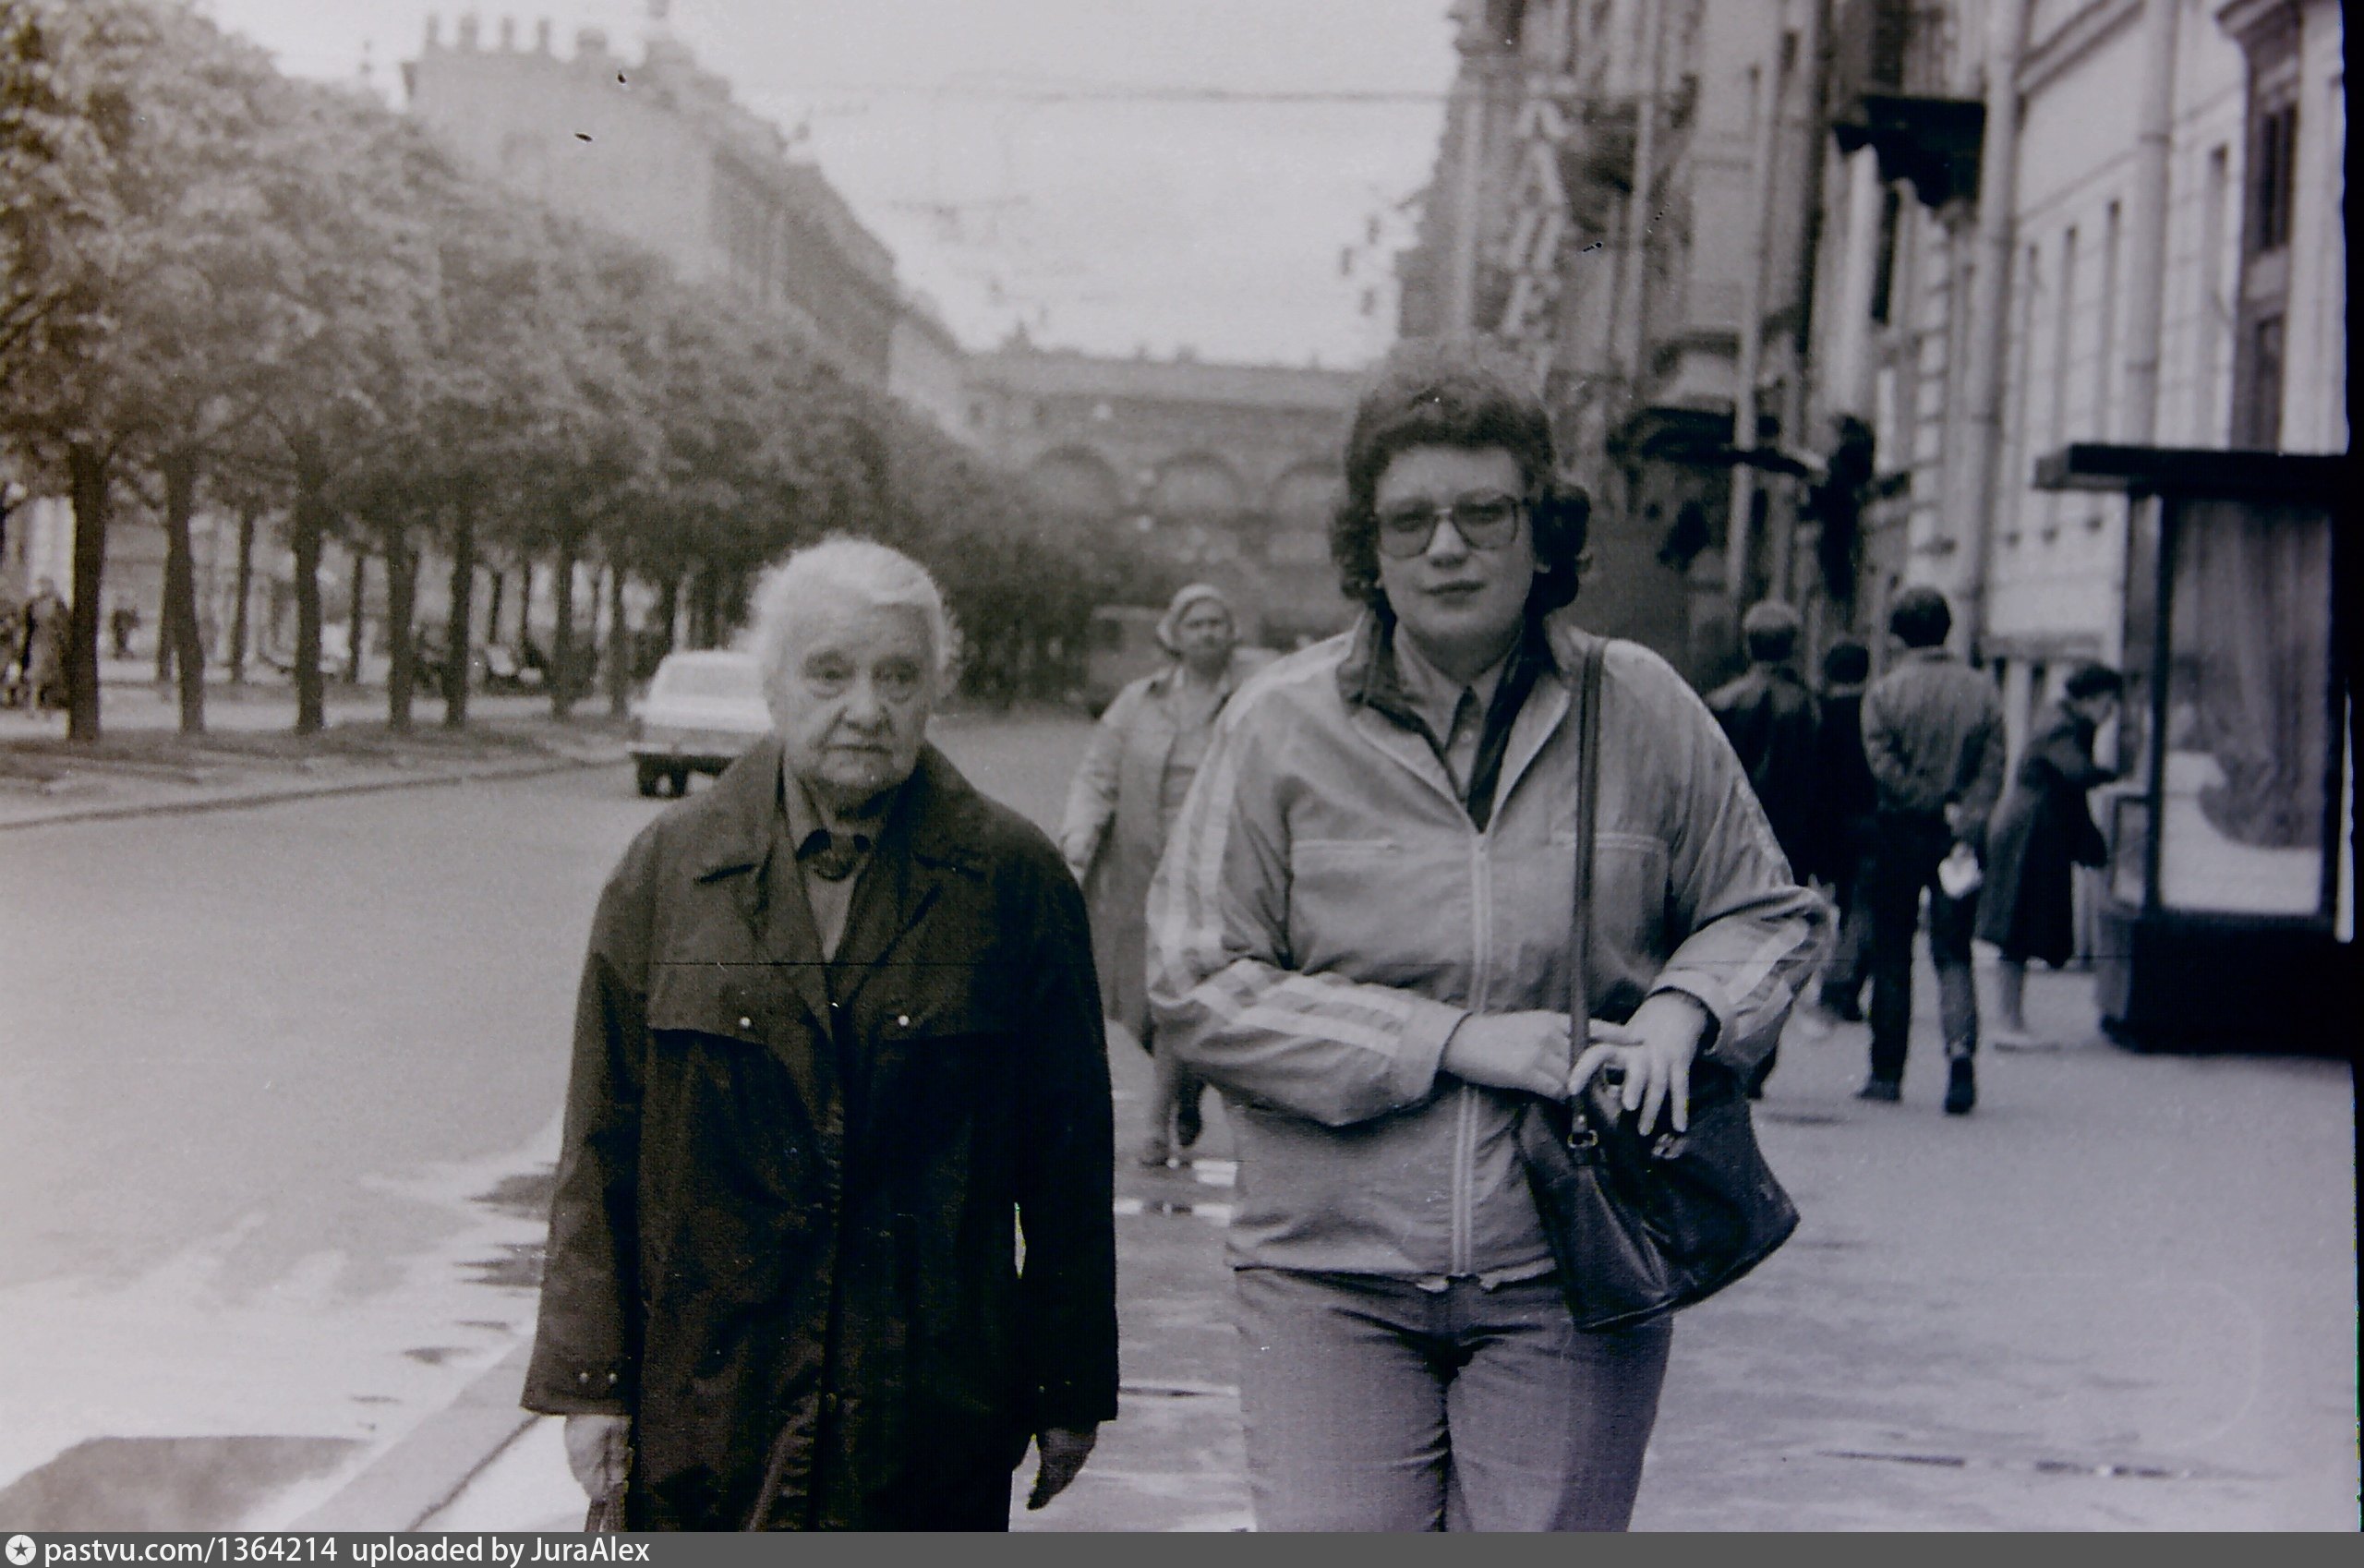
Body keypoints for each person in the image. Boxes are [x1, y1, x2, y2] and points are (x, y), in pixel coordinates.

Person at [1145, 345, 1827, 1532]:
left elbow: (1764, 911)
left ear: (1541, 529)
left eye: (1483, 513)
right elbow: (1196, 978)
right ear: (1367, 546)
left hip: (1572, 1263)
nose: (1447, 548)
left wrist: (1683, 1011)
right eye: (1409, 521)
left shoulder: (1640, 706)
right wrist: (1451, 1040)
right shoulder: (1277, 727)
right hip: (1326, 1273)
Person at [524, 537, 1118, 1530]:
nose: (867, 708)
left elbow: (1067, 1164)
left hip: (922, 1415)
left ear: (936, 691)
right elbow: (600, 1142)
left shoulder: (1013, 883)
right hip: (704, 1404)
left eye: (899, 676)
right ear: (773, 686)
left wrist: (1068, 1384)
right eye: (830, 674)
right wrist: (591, 1384)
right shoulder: (668, 870)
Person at [1059, 581, 1247, 1166]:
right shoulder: (1138, 701)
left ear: (1232, 634)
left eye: (1217, 622)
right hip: (1143, 871)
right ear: (1174, 634)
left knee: (1179, 992)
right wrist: (1080, 834)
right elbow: (1098, 773)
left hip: (1217, 874)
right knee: (1143, 1002)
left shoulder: (1251, 700)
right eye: (1196, 623)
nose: (1207, 633)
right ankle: (1188, 1087)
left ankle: (1155, 1122)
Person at [1858, 586, 2006, 1115]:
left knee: (1893, 950)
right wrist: (1964, 812)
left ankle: (1886, 1072)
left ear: (1899, 635)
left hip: (1900, 832)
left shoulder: (1885, 693)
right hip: (1957, 836)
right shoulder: (1983, 691)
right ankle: (1960, 1059)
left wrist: (1924, 799)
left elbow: (1883, 764)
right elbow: (1993, 764)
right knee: (1953, 951)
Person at [1704, 598, 1820, 1096]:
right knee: (1776, 952)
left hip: (1731, 845)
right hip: (1791, 844)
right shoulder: (1808, 707)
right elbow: (1821, 788)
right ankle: (1760, 1057)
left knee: (1725, 944)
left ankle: (1724, 1047)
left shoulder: (1722, 702)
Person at [1977, 663, 2123, 1046]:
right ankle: (2009, 1024)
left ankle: (2012, 1021)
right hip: (2030, 834)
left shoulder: (2061, 719)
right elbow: (2076, 774)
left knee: (2019, 928)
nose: (2109, 713)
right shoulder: (2062, 725)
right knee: (2017, 929)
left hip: (2034, 831)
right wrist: (2116, 773)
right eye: (2107, 703)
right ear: (2090, 698)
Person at [1808, 641, 1878, 1022]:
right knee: (1861, 909)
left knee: (1829, 907)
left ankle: (1830, 982)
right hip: (1870, 822)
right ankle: (1844, 988)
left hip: (1827, 826)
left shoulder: (1819, 712)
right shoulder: (1876, 711)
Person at [21, 577, 69, 711]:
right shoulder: (34, 603)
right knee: (35, 674)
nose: (43, 589)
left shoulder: (57, 604)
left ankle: (48, 706)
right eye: (41, 586)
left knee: (51, 675)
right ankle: (33, 705)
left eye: (46, 585)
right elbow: (28, 624)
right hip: (37, 641)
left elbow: (63, 626)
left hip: (53, 643)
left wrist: (63, 643)